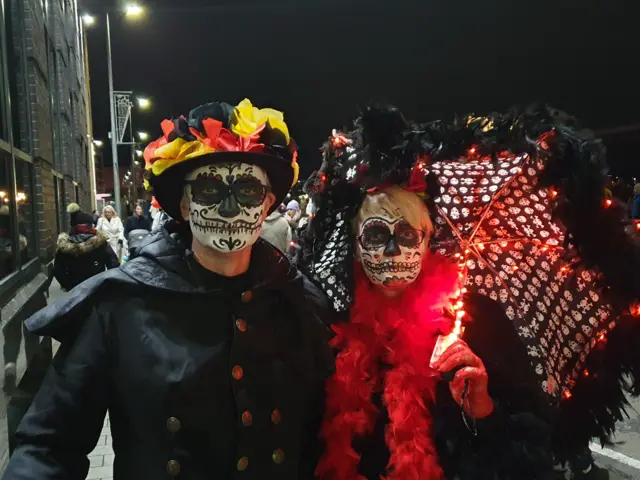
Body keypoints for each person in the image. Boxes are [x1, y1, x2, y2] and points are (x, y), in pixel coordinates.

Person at [4, 98, 334, 480]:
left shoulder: (298, 301)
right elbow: (50, 445)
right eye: (209, 191)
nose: (230, 209)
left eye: (247, 191)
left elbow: (321, 439)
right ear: (183, 203)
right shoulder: (119, 305)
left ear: (269, 204)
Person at [301, 105, 553, 480]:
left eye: (406, 235)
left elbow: (527, 458)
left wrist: (482, 409)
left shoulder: (471, 323)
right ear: (354, 245)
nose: (392, 251)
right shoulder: (325, 319)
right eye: (375, 235)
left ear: (428, 241)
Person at [52, 203, 120, 291]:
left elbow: (58, 270)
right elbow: (114, 264)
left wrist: (69, 286)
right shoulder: (101, 243)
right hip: (97, 288)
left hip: (75, 291)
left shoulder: (64, 247)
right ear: (89, 226)